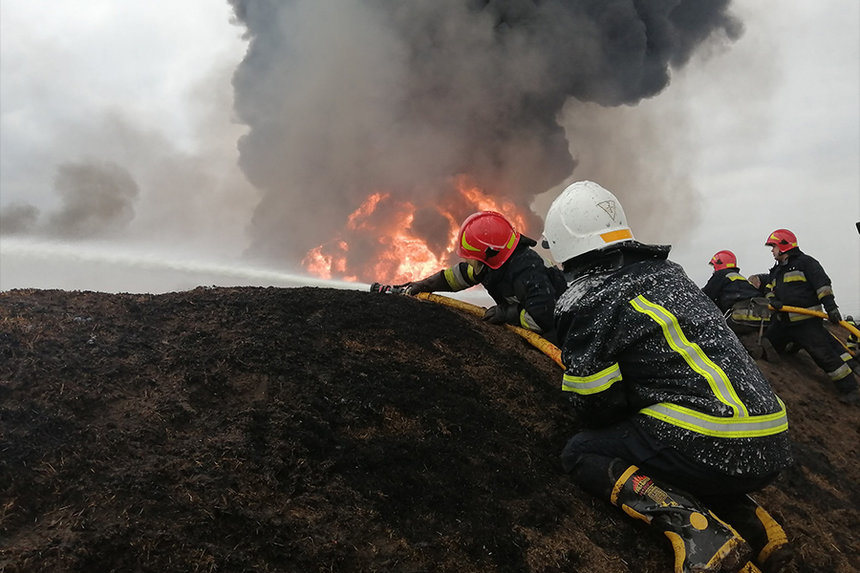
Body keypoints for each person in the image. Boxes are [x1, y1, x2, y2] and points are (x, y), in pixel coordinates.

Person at [541, 181, 793, 573]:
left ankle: (700, 534)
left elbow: (595, 406)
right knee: (677, 452)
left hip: (715, 441)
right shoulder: (671, 276)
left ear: (563, 248)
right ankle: (763, 537)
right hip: (773, 440)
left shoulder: (592, 300)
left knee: (582, 451)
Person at [400, 210, 567, 344]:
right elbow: (457, 276)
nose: (468, 262)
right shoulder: (494, 262)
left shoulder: (527, 273)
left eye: (472, 258)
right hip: (538, 315)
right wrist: (425, 285)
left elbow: (543, 318)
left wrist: (507, 314)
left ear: (489, 254)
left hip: (560, 329)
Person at [758, 229, 860, 404]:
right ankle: (794, 345)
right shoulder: (776, 271)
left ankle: (851, 390)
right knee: (767, 344)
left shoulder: (806, 263)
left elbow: (822, 286)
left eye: (773, 246)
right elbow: (769, 290)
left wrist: (831, 307)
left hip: (806, 323)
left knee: (824, 356)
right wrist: (772, 300)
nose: (772, 250)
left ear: (784, 246)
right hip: (784, 323)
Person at [702, 250, 773, 358]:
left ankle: (741, 354)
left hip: (741, 314)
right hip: (761, 316)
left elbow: (706, 295)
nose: (714, 270)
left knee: (721, 329)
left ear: (719, 264)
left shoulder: (721, 274)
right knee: (745, 331)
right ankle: (766, 351)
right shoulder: (741, 279)